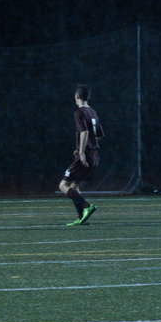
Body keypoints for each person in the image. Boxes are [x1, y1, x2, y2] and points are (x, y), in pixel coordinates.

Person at [58, 84, 104, 226]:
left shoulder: (79, 112)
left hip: (86, 154)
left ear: (76, 96)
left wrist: (82, 151)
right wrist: (81, 147)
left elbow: (84, 132)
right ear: (88, 97)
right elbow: (99, 135)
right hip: (95, 154)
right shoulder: (93, 112)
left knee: (63, 185)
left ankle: (86, 206)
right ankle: (81, 217)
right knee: (74, 186)